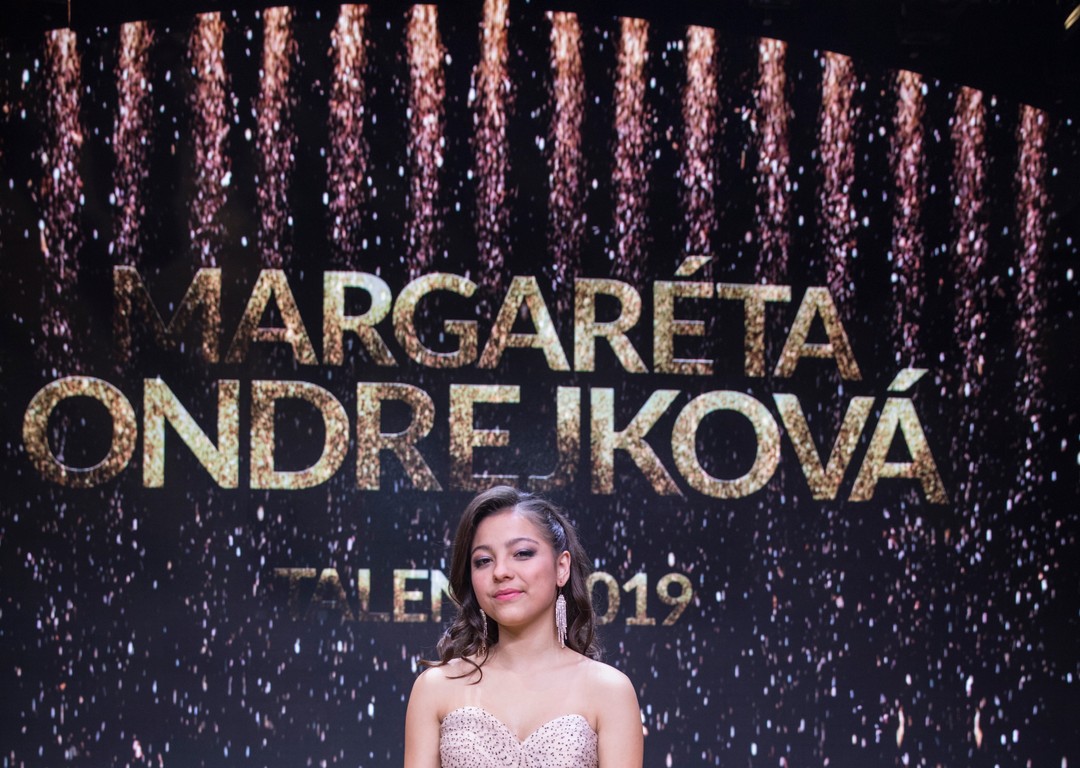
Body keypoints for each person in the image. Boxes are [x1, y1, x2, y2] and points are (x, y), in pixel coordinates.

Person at [404, 486, 643, 768]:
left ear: (562, 567)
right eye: (483, 561)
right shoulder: (436, 688)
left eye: (522, 553)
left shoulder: (609, 690)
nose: (500, 572)